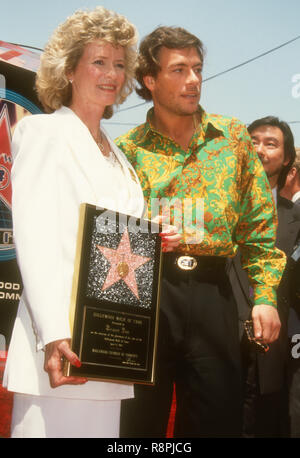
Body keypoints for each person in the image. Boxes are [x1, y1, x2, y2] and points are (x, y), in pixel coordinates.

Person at [2, 8, 179, 438]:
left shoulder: (118, 156)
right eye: (98, 62)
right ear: (68, 69)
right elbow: (36, 239)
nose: (112, 74)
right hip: (61, 353)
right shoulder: (43, 133)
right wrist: (54, 336)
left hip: (109, 351)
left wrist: (152, 239)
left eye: (120, 64)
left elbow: (107, 242)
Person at [115, 26, 286, 438]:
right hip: (146, 291)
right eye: (179, 70)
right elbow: (111, 231)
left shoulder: (232, 140)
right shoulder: (127, 149)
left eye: (197, 68)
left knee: (216, 419)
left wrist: (265, 297)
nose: (193, 80)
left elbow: (260, 224)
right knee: (139, 424)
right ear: (150, 81)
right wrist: (141, 232)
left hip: (215, 293)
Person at [228, 116, 300, 437]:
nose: (259, 149)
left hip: (274, 358)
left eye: (271, 144)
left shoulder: (295, 218)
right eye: (253, 141)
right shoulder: (216, 209)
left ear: (287, 159)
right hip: (219, 347)